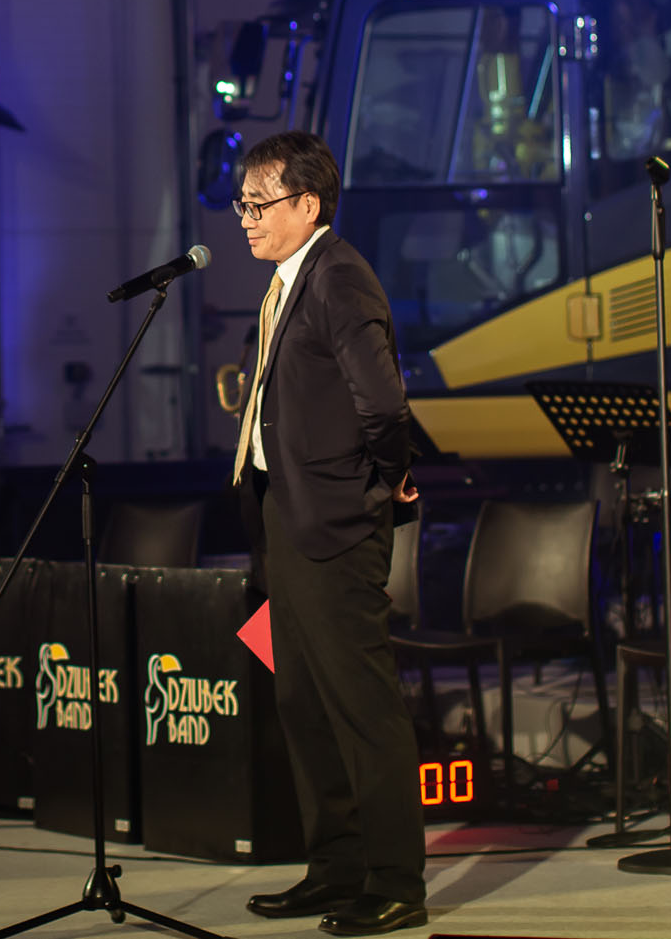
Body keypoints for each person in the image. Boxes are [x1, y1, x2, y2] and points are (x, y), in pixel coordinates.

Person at [229, 131, 426, 935]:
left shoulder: (338, 276)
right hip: (286, 518)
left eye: (260, 203)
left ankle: (395, 880)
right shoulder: (287, 282)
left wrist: (379, 484)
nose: (246, 217)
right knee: (302, 701)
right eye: (242, 203)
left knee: (361, 705)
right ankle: (336, 866)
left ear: (307, 204)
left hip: (336, 522)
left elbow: (384, 404)